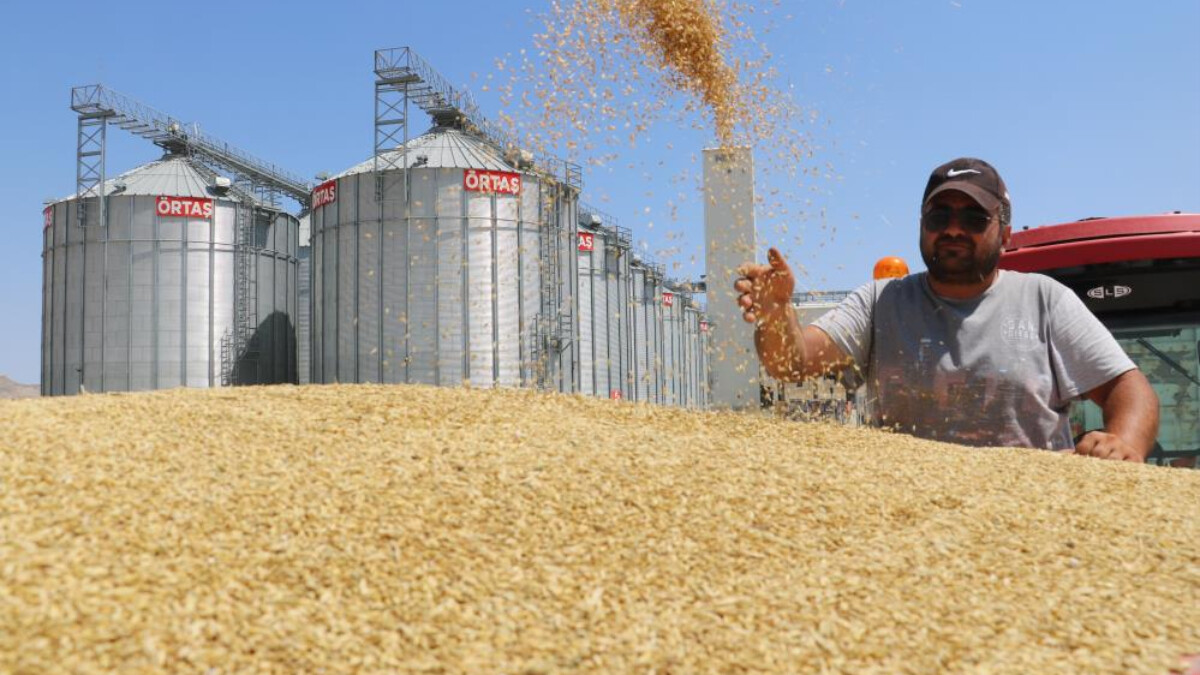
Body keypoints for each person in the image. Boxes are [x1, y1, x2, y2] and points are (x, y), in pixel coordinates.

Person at [734, 157, 1159, 460]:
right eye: (940, 216)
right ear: (921, 224)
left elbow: (1129, 388)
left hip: (1032, 517)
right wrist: (777, 313)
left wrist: (1124, 443)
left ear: (1004, 233)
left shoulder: (1044, 300)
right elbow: (791, 362)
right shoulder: (881, 301)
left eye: (975, 218)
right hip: (909, 512)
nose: (954, 228)